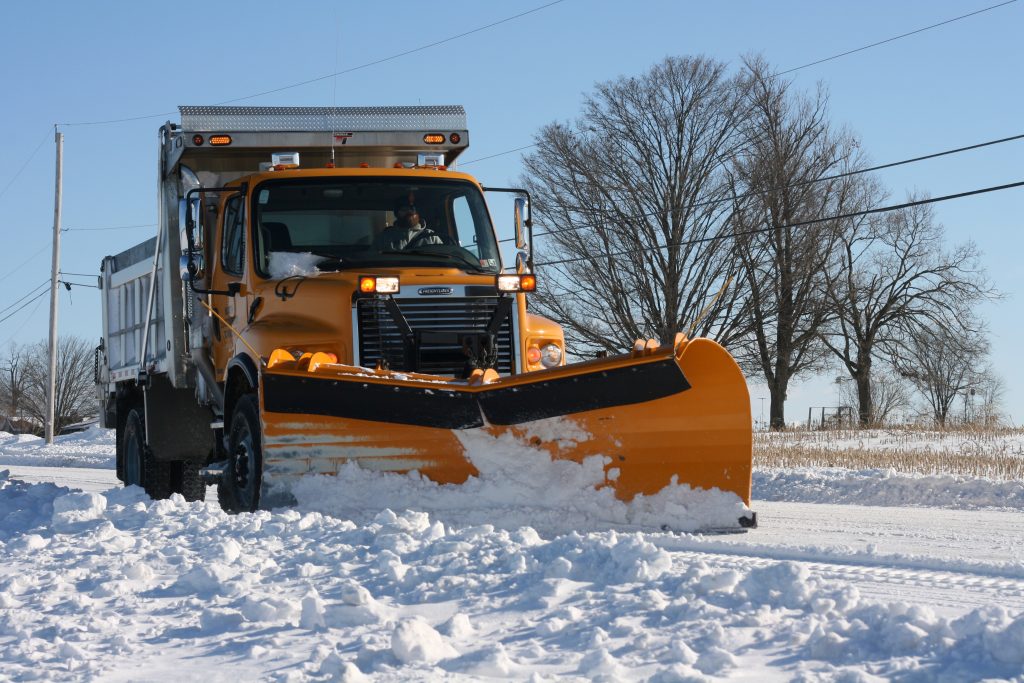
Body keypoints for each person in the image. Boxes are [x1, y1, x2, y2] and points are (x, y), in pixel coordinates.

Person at [377, 199, 445, 250]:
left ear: (418, 213)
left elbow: (443, 262)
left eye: (412, 209)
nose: (408, 212)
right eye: (404, 209)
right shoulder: (384, 238)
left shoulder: (431, 236)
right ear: (396, 214)